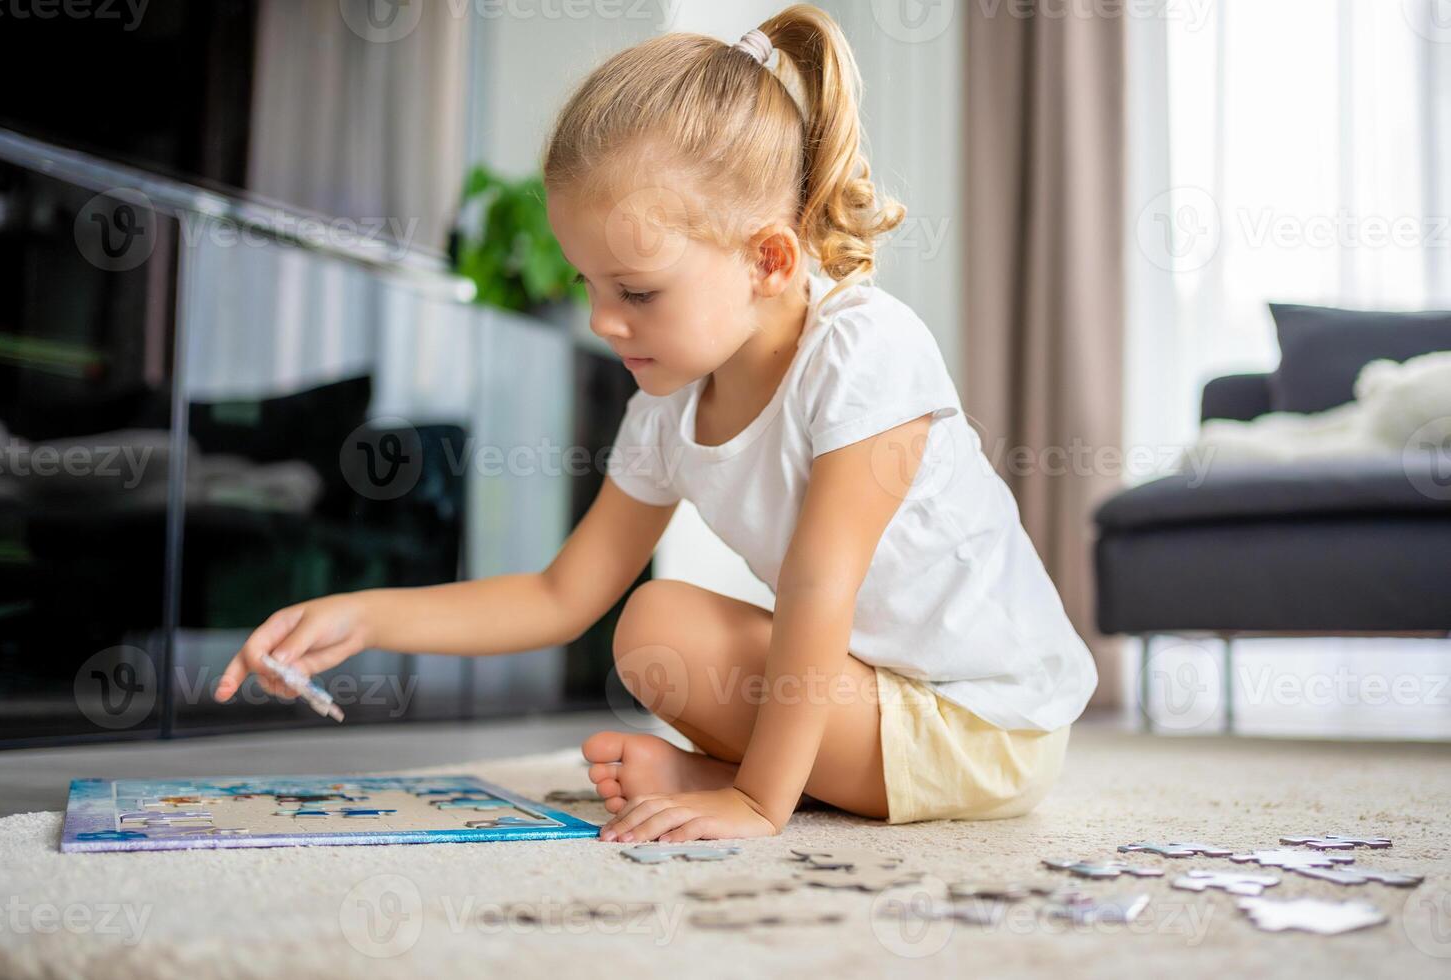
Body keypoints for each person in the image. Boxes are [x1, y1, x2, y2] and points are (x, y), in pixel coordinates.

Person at [215, 4, 1098, 845]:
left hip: (987, 725)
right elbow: (561, 597)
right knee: (654, 627)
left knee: (684, 630)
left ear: (768, 259)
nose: (604, 322)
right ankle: (731, 771)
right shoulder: (669, 404)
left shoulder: (867, 349)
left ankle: (739, 776)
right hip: (867, 696)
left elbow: (817, 592)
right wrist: (364, 615)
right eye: (588, 287)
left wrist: (757, 801)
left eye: (635, 292)